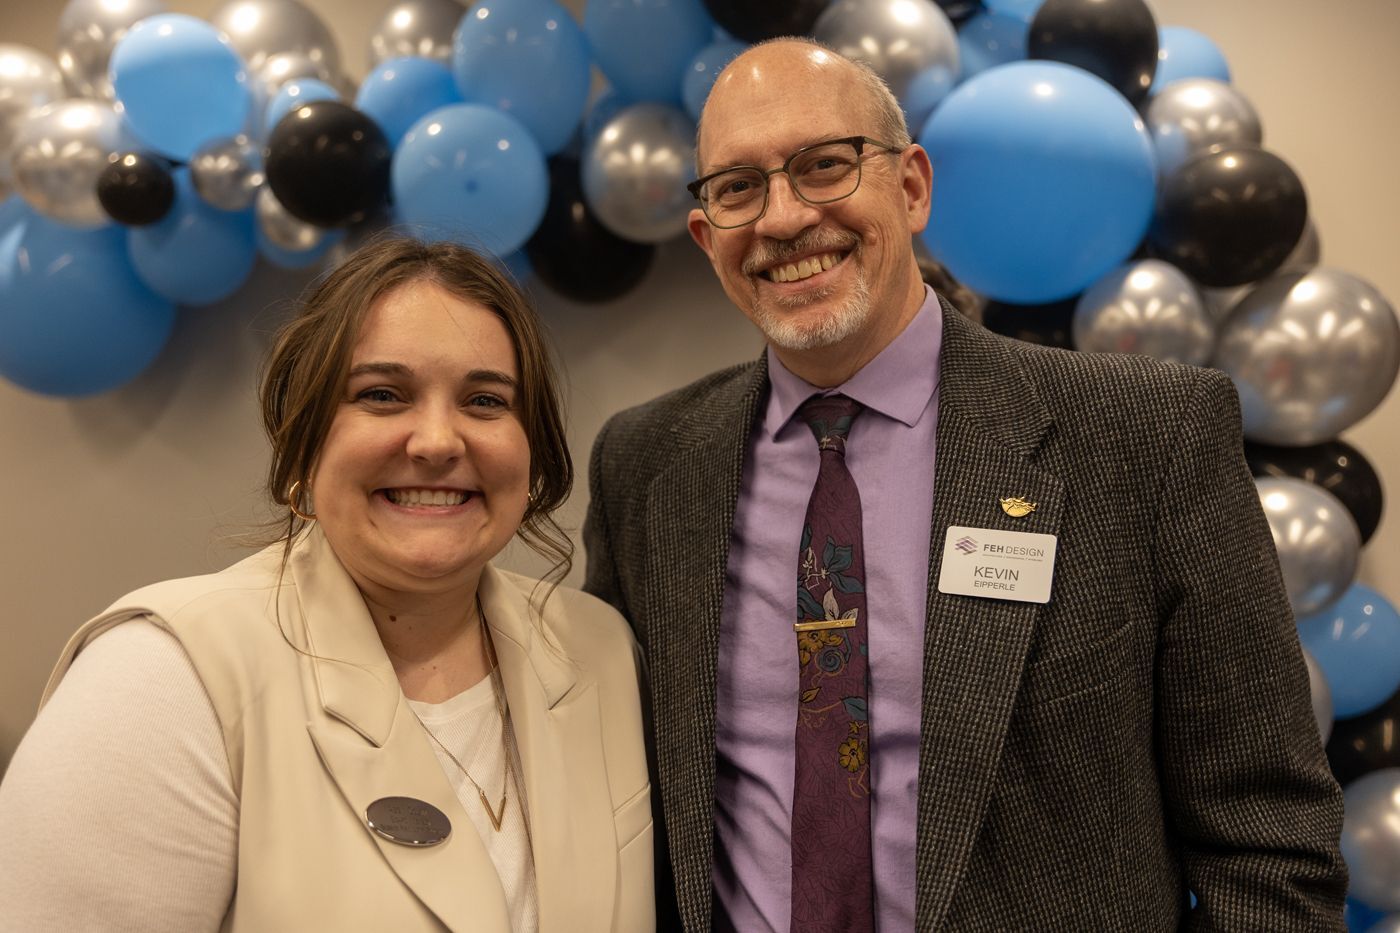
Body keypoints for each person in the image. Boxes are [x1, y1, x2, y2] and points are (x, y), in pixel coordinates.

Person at [582, 39, 1346, 932]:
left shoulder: (1145, 439)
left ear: (910, 188)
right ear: (709, 237)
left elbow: (1269, 834)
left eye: (824, 166)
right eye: (738, 188)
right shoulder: (645, 467)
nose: (783, 218)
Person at [0, 238, 654, 933]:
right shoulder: (160, 676)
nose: (437, 440)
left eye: (485, 399)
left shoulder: (601, 651)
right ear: (304, 442)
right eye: (382, 394)